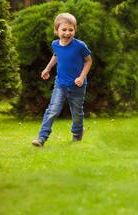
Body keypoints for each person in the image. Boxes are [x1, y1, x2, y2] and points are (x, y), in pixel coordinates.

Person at [31, 13, 92, 147]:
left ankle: (77, 135)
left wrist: (81, 77)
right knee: (52, 110)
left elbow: (88, 61)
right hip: (60, 85)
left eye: (71, 29)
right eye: (64, 29)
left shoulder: (80, 46)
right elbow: (56, 55)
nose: (67, 33)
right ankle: (41, 138)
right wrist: (47, 68)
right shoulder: (55, 44)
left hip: (78, 86)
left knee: (76, 113)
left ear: (74, 30)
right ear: (56, 30)